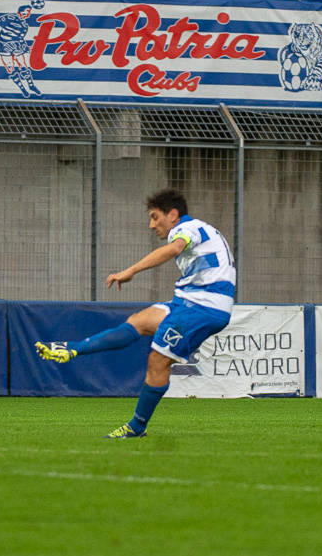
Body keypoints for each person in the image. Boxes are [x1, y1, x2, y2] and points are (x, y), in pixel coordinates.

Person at [35, 188, 236, 438]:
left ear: (173, 214)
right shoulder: (200, 228)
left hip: (204, 306)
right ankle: (73, 348)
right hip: (190, 300)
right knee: (139, 322)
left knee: (157, 360)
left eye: (155, 217)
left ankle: (136, 427)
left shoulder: (186, 229)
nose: (152, 225)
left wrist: (130, 270)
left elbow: (174, 249)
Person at [0, 5, 41, 97]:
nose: (28, 13)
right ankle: (22, 89)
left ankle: (31, 85)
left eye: (29, 12)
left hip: (17, 45)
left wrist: (26, 47)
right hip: (3, 45)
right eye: (26, 11)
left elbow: (20, 38)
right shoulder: (10, 17)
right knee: (10, 68)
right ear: (20, 11)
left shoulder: (25, 25)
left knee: (23, 65)